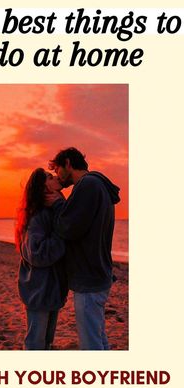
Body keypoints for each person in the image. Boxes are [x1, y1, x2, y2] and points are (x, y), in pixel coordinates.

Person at [46, 147, 120, 350]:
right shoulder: (98, 186)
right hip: (98, 273)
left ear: (68, 163)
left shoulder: (87, 185)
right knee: (99, 338)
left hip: (89, 278)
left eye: (58, 169)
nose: (58, 177)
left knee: (91, 344)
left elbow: (67, 228)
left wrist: (58, 204)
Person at [15, 168, 68, 350]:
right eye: (50, 177)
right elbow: (38, 254)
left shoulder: (54, 210)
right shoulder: (38, 216)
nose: (56, 178)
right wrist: (62, 236)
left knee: (46, 342)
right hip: (39, 289)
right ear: (43, 187)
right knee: (36, 343)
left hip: (52, 289)